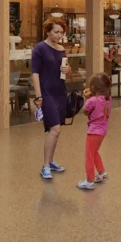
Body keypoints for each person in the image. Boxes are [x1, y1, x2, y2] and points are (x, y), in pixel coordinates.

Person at [31, 18, 71, 180]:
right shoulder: (39, 49)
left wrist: (68, 69)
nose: (59, 35)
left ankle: (51, 161)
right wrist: (38, 95)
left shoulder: (61, 49)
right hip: (46, 93)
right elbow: (35, 73)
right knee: (55, 129)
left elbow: (65, 71)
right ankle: (45, 166)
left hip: (60, 92)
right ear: (48, 31)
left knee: (56, 130)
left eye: (61, 32)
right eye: (56, 32)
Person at [78, 72, 112, 190]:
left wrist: (88, 98)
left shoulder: (92, 101)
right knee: (94, 152)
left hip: (93, 132)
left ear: (93, 88)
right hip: (102, 131)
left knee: (89, 155)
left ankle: (89, 180)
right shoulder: (108, 99)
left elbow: (85, 112)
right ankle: (102, 172)